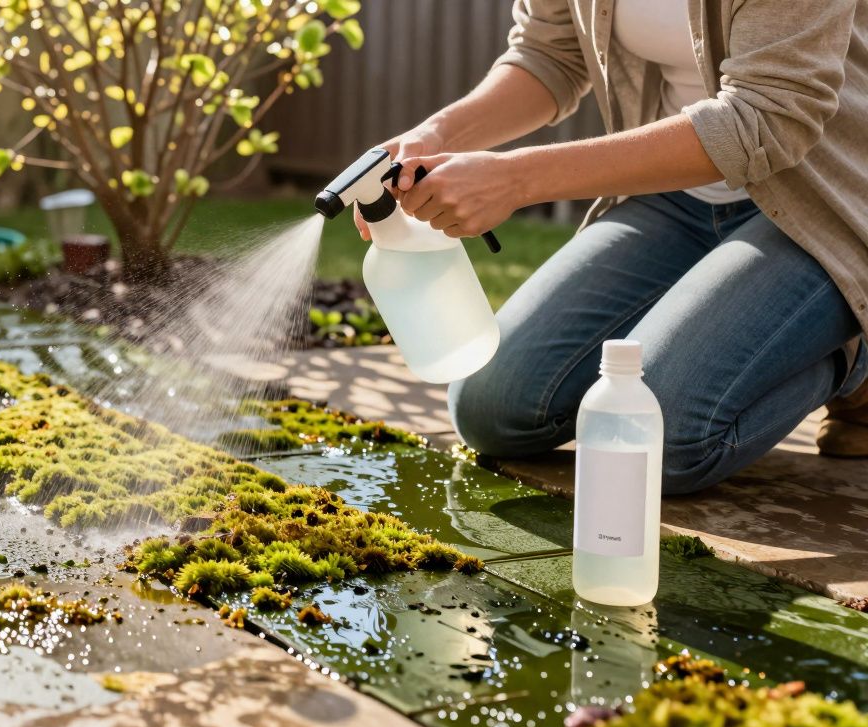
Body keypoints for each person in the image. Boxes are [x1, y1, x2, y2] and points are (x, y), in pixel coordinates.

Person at [356, 0, 868, 493]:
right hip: (676, 199)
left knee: (657, 439)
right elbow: (550, 54)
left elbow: (771, 116)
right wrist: (433, 135)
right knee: (492, 406)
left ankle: (854, 355)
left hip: (820, 206)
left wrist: (517, 179)